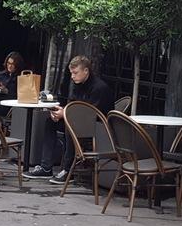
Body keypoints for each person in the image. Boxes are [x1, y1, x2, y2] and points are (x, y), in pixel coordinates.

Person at [22, 55, 114, 183]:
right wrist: (60, 112)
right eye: (71, 73)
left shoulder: (99, 88)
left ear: (86, 71)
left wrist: (65, 114)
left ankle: (67, 170)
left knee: (70, 124)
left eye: (75, 73)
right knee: (50, 122)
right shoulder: (77, 84)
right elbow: (73, 105)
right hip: (80, 121)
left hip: (98, 128)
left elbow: (92, 113)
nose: (72, 76)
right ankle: (46, 167)